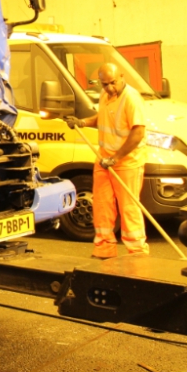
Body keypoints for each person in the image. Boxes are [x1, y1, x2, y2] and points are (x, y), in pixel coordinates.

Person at [65, 63, 148, 258]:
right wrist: (83, 122)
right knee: (102, 206)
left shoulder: (131, 99)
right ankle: (105, 249)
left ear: (121, 77)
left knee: (129, 208)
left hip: (127, 162)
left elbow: (138, 134)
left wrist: (116, 158)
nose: (109, 88)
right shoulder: (105, 96)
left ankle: (137, 252)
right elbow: (101, 117)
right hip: (104, 159)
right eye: (105, 84)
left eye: (113, 83)